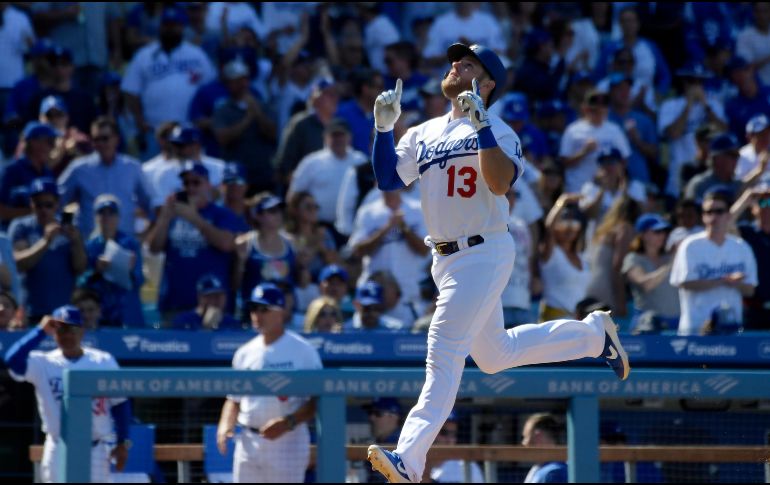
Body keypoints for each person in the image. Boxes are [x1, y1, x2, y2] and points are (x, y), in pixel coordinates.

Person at [365, 43, 629, 483]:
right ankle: (591, 335)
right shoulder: (425, 131)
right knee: (494, 355)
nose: (454, 66)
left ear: (486, 83)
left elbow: (499, 181)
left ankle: (409, 459)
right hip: (445, 259)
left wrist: (482, 124)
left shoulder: (501, 131)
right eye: (454, 60)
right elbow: (388, 178)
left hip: (483, 250)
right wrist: (382, 129)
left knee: (443, 349)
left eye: (466, 64)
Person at [3, 305, 132, 483]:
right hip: (58, 447)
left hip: (94, 447)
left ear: (82, 331)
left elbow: (120, 403)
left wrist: (123, 442)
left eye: (72, 329)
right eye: (61, 329)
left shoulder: (102, 360)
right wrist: (40, 331)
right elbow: (12, 359)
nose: (67, 335)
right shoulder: (43, 362)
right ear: (53, 332)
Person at [216, 282, 322, 483]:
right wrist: (225, 425)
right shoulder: (244, 353)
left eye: (264, 309)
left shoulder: (303, 350)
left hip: (288, 440)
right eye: (254, 309)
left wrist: (289, 422)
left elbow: (318, 401)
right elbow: (234, 400)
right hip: (248, 439)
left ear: (280, 311)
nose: (257, 314)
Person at [147, 161, 239, 322]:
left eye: (196, 182)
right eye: (186, 183)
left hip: (213, 305)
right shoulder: (173, 214)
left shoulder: (221, 214)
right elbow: (154, 247)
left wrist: (195, 218)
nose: (190, 188)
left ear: (208, 185)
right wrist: (164, 218)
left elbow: (226, 244)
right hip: (174, 303)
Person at [670, 189, 758, 335]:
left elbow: (750, 290)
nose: (713, 217)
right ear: (703, 217)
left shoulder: (742, 247)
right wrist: (723, 280)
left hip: (731, 328)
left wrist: (736, 283)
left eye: (719, 211)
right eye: (708, 212)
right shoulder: (690, 245)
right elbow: (683, 282)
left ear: (728, 215)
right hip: (695, 330)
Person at [10, 178, 87, 323]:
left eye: (48, 204)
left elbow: (80, 267)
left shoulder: (70, 228)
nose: (44, 210)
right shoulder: (21, 227)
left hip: (64, 311)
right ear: (31, 204)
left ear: (57, 204)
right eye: (38, 205)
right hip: (30, 311)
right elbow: (18, 263)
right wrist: (45, 241)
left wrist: (76, 242)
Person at [622, 214, 680, 333]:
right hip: (647, 326)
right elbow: (646, 285)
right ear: (643, 235)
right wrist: (671, 264)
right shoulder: (633, 258)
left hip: (676, 324)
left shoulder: (669, 257)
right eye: (657, 231)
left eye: (664, 232)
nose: (662, 235)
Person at [729, 182, 770, 330]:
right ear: (753, 208)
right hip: (753, 311)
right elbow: (724, 224)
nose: (767, 206)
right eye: (762, 201)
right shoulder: (747, 232)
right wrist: (746, 198)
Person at [426, 410, 484, 483]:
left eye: (453, 434)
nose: (449, 440)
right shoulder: (414, 465)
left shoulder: (469, 467)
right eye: (444, 433)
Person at [172, 274, 241, 331]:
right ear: (199, 297)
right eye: (209, 297)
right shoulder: (184, 320)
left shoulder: (232, 322)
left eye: (218, 296)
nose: (214, 301)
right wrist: (206, 327)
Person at [521, 413, 567, 483]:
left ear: (538, 436)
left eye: (526, 436)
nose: (523, 443)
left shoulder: (553, 473)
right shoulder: (538, 469)